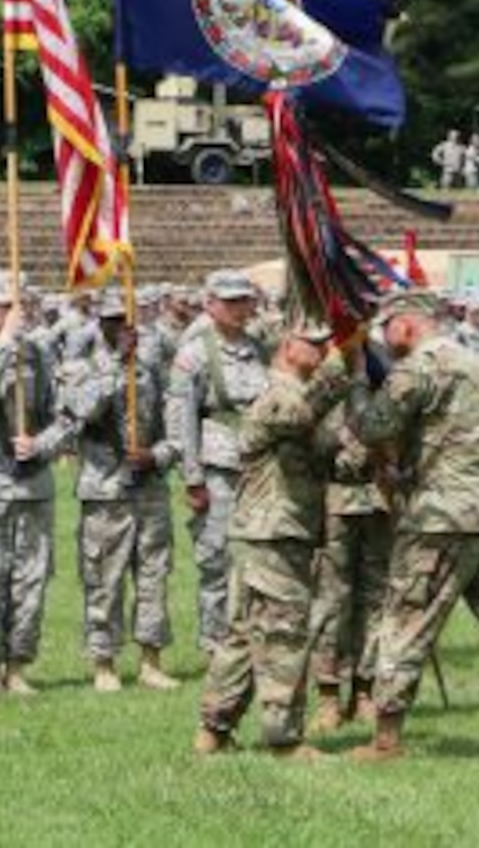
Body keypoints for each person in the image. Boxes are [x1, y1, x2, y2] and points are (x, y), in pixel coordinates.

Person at [345, 289, 479, 761]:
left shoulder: (418, 368)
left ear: (407, 324)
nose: (384, 337)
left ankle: (386, 739)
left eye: (387, 328)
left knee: (405, 621)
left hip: (441, 519)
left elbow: (374, 428)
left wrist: (358, 380)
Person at [195, 324, 349, 758]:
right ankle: (284, 738)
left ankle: (213, 731)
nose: (324, 351)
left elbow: (324, 451)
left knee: (244, 636)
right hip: (271, 531)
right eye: (315, 344)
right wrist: (342, 367)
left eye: (327, 343)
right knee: (284, 632)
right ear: (286, 347)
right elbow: (299, 415)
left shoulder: (300, 396)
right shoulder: (275, 394)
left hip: (284, 530)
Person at [0, 269, 73, 699]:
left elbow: (65, 416)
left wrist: (42, 443)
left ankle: (19, 664)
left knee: (32, 576)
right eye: (5, 305)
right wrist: (5, 342)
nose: (14, 313)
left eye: (20, 306)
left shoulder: (42, 352)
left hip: (32, 483)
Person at [62, 287, 178, 692]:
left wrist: (157, 456)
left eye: (128, 320)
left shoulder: (151, 366)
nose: (123, 328)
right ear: (101, 323)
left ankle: (151, 659)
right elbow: (85, 410)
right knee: (104, 578)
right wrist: (115, 363)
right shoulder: (82, 365)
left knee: (154, 575)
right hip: (105, 489)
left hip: (149, 488)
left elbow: (175, 427)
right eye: (113, 321)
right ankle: (104, 662)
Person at [166, 269, 268, 656]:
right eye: (230, 302)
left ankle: (253, 635)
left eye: (244, 301)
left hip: (259, 467)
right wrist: (192, 478)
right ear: (210, 304)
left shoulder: (258, 349)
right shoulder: (194, 352)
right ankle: (215, 642)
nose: (239, 309)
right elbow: (182, 418)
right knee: (215, 556)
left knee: (259, 556)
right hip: (218, 467)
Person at [307, 404, 394, 732]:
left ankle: (364, 692)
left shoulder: (382, 370)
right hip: (333, 498)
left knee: (375, 600)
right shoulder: (323, 379)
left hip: (378, 499)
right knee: (331, 601)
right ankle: (328, 694)